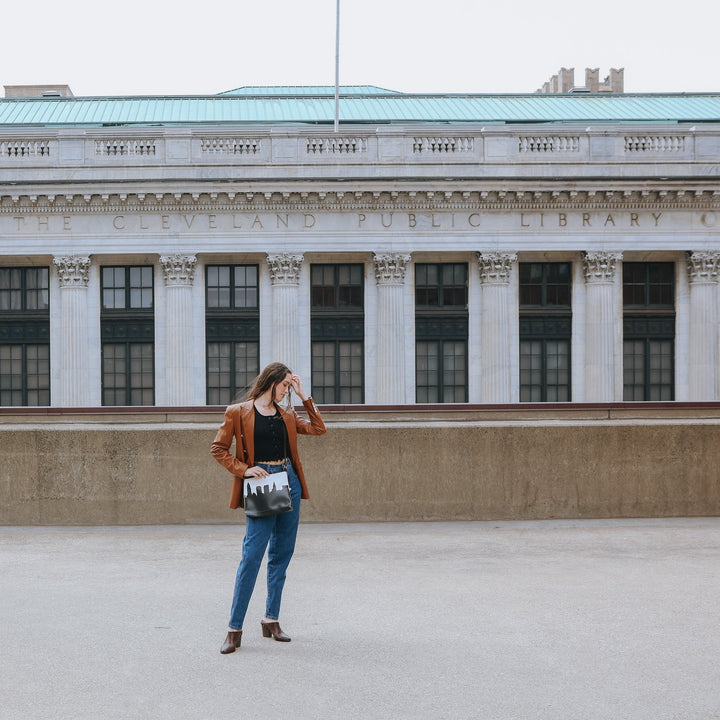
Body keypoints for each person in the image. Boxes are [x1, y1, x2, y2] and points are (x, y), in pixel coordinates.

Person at [211, 362, 326, 654]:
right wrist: (244, 470)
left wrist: (303, 396)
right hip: (260, 485)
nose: (288, 389)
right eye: (286, 384)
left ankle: (271, 619)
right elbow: (218, 449)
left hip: (289, 482)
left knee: (281, 554)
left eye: (290, 385)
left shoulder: (287, 414)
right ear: (271, 381)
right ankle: (234, 629)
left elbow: (318, 428)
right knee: (251, 556)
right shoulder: (238, 412)